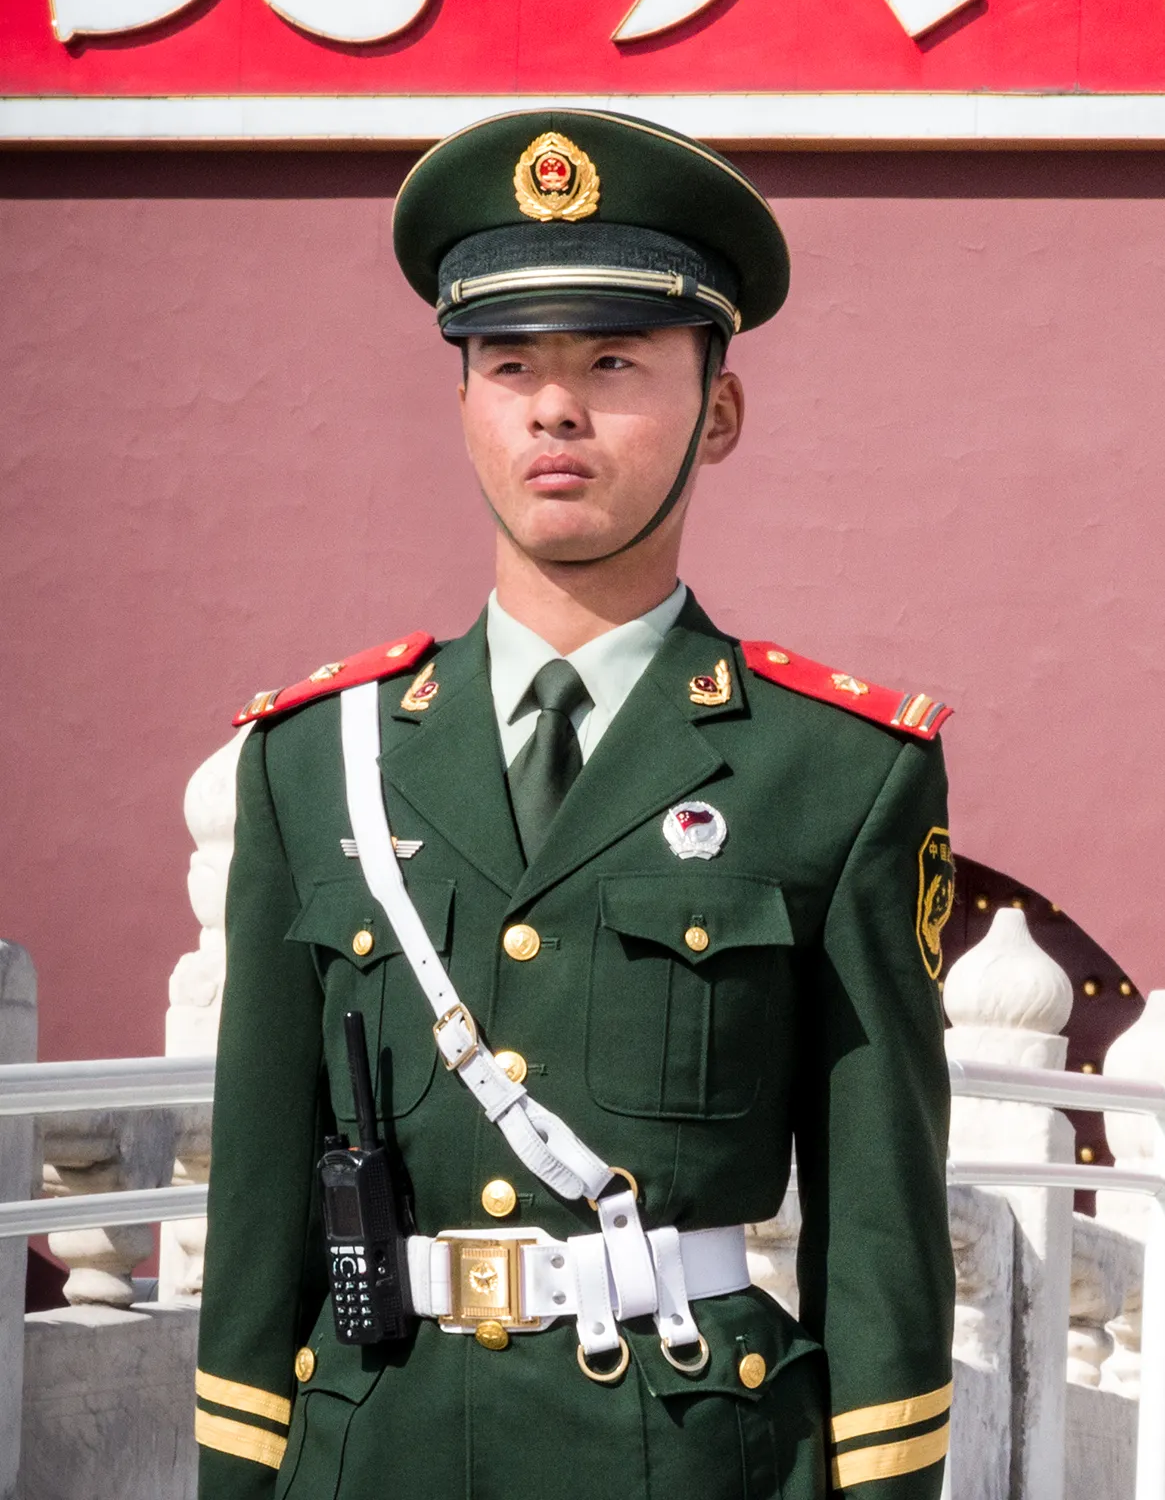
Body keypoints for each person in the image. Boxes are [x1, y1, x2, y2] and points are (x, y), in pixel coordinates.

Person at [191, 110, 960, 1500]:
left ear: (717, 414)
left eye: (611, 361)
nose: (554, 408)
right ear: (462, 407)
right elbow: (255, 1205)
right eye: (510, 364)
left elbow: (881, 1229)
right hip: (381, 1447)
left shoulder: (837, 771)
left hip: (691, 1451)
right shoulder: (313, 759)